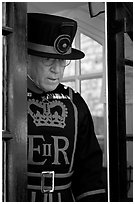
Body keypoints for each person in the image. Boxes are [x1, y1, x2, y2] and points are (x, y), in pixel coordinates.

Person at [27, 13, 106, 202]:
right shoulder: (6, 99)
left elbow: (89, 171)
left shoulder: (76, 103)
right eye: (49, 60)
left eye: (63, 61)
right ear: (26, 57)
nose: (58, 69)